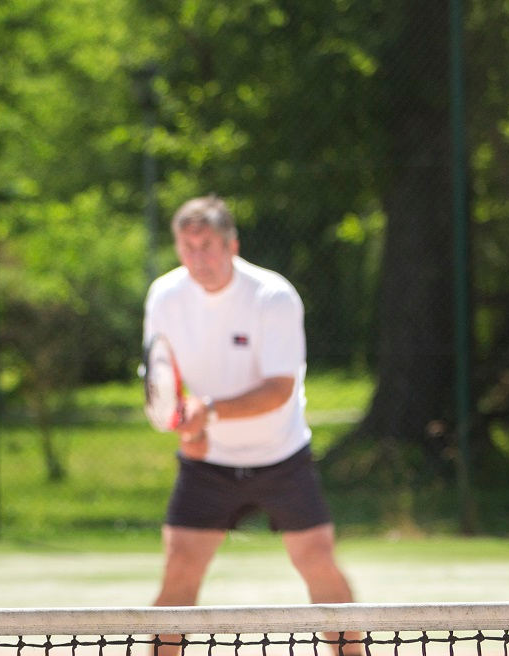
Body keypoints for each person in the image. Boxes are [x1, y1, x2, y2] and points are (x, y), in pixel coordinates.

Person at [143, 195, 361, 656]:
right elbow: (166, 379)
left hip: (281, 457)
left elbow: (280, 388)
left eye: (207, 246)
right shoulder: (165, 295)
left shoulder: (272, 296)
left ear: (231, 245)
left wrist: (209, 413)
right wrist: (192, 430)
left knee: (319, 563)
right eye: (187, 247)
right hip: (207, 467)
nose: (197, 258)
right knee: (179, 573)